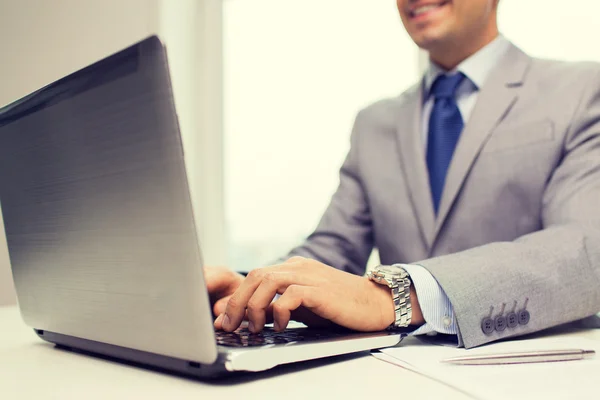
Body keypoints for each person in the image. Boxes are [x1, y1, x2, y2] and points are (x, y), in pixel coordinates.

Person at [208, 0, 600, 348]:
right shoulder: (374, 122)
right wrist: (253, 288)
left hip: (531, 372)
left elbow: (585, 245)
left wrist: (398, 296)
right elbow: (333, 251)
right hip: (394, 378)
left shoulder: (582, 90)